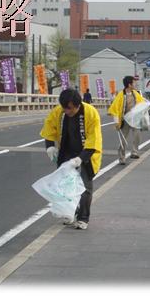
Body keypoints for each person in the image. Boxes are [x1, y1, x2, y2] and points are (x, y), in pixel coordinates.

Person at [41, 89, 103, 230]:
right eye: (64, 108)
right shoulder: (60, 111)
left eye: (69, 108)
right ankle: (69, 212)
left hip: (86, 152)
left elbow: (94, 140)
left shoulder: (91, 113)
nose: (66, 111)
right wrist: (50, 146)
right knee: (64, 185)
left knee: (85, 187)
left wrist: (80, 159)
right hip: (66, 150)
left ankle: (83, 218)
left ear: (77, 104)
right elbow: (49, 128)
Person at [108, 76, 145, 165]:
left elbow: (141, 104)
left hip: (134, 119)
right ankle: (121, 157)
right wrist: (116, 121)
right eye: (134, 83)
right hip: (124, 120)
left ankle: (135, 152)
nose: (135, 84)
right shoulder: (121, 95)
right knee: (123, 140)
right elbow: (115, 109)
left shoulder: (136, 94)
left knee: (137, 135)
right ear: (129, 85)